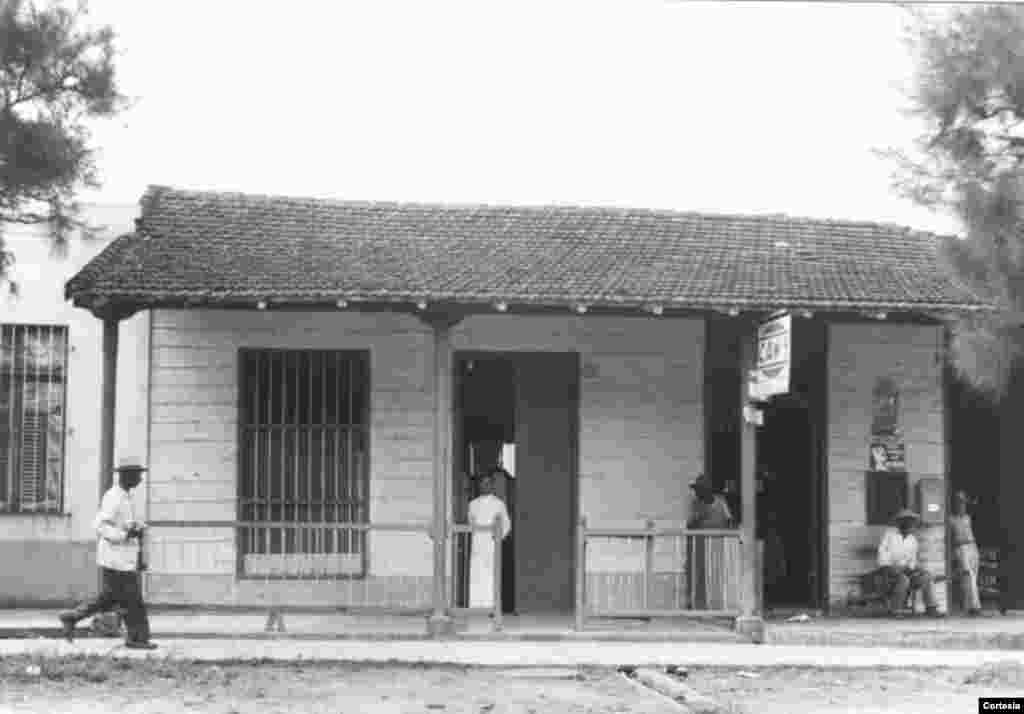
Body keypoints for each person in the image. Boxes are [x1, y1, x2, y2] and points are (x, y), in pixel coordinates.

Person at [59, 458, 157, 649]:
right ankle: (137, 639)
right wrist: (124, 534)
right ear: (126, 476)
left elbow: (123, 524)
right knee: (133, 600)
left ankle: (72, 617)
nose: (140, 479)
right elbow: (100, 525)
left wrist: (136, 529)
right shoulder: (114, 497)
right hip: (115, 559)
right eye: (137, 475)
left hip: (123, 558)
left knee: (110, 598)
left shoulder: (126, 497)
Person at [877, 508, 944, 618]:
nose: (910, 525)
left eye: (912, 522)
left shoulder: (912, 540)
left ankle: (931, 608)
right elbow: (882, 555)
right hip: (890, 571)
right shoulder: (889, 536)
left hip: (906, 571)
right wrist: (891, 567)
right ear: (900, 523)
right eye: (907, 521)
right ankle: (896, 610)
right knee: (904, 579)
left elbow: (912, 561)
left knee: (926, 576)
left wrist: (917, 569)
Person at [686, 473, 733, 609]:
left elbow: (729, 521)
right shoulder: (696, 504)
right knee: (699, 574)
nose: (697, 492)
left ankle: (719, 604)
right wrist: (699, 515)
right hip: (700, 544)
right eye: (696, 489)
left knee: (718, 574)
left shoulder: (720, 502)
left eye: (700, 489)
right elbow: (689, 525)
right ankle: (698, 604)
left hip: (719, 544)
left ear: (708, 489)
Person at [468, 467, 511, 610]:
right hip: (477, 545)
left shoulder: (499, 504)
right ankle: (475, 607)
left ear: (492, 485)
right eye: (482, 483)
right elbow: (470, 524)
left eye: (487, 483)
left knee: (491, 576)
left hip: (492, 546)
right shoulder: (472, 504)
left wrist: (497, 537)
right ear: (479, 485)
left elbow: (506, 524)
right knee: (477, 576)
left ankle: (491, 607)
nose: (484, 486)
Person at [949, 490, 982, 616]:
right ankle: (975, 606)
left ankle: (969, 606)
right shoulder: (951, 519)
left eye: (963, 502)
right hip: (961, 547)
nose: (961, 505)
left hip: (972, 546)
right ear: (954, 504)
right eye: (959, 502)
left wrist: (970, 501)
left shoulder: (968, 517)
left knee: (973, 577)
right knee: (969, 576)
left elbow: (976, 505)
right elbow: (950, 538)